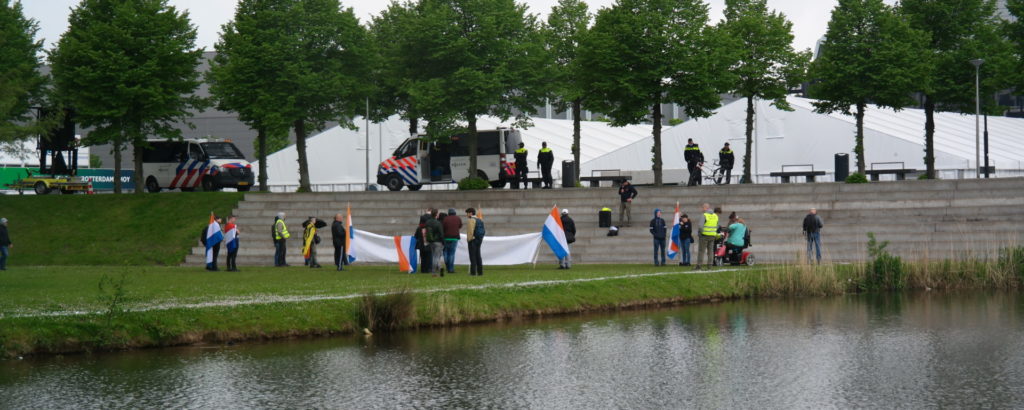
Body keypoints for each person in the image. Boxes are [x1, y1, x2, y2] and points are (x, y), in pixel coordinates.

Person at [695, 204, 721, 270]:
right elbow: (717, 226)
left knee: (701, 251)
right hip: (712, 235)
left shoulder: (704, 215)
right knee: (710, 251)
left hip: (704, 235)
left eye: (702, 207)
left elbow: (700, 226)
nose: (702, 209)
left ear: (705, 208)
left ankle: (699, 266)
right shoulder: (715, 216)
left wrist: (702, 232)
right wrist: (713, 231)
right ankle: (710, 266)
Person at [425, 208, 445, 277]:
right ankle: (434, 272)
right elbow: (441, 233)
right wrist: (443, 242)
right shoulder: (438, 223)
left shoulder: (427, 222)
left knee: (435, 255)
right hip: (438, 241)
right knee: (436, 257)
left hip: (431, 241)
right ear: (436, 214)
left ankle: (440, 268)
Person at [442, 208, 462, 273]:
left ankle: (447, 266)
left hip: (446, 238)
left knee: (445, 252)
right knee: (452, 253)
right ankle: (451, 269)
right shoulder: (458, 218)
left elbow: (443, 227)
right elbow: (460, 226)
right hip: (454, 238)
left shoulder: (445, 219)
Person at [466, 208, 484, 275]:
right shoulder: (480, 220)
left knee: (472, 256)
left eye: (467, 213)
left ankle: (473, 272)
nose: (467, 215)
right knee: (478, 255)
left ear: (470, 213)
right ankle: (480, 272)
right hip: (479, 239)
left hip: (473, 240)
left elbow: (470, 231)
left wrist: (469, 240)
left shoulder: (471, 220)